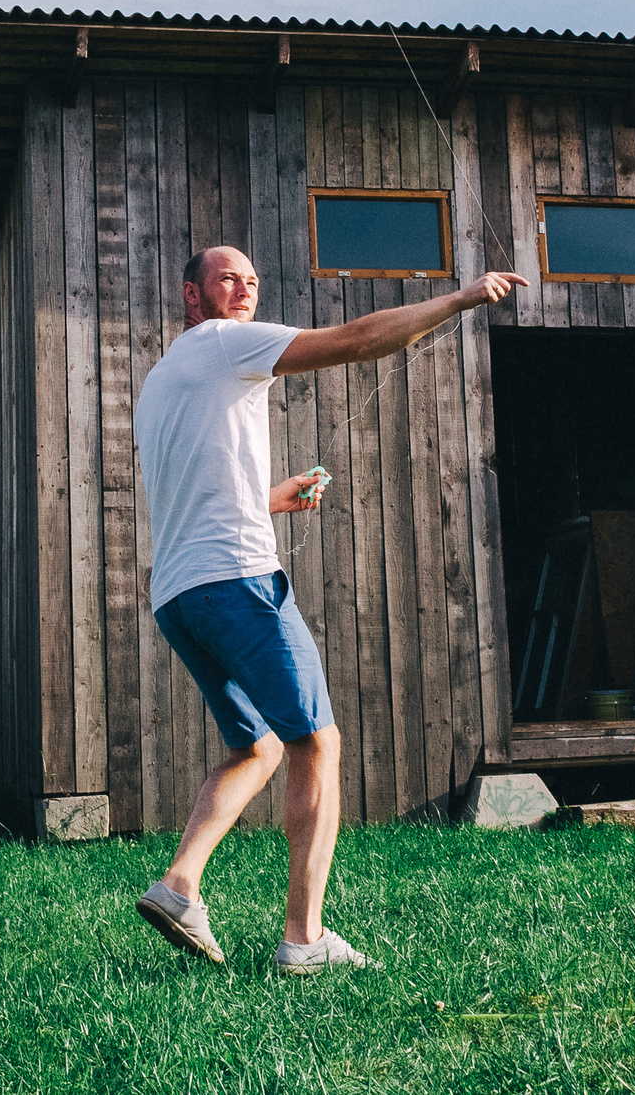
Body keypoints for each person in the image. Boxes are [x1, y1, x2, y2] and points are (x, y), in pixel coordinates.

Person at [132, 244, 527, 974]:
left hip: (180, 594)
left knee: (258, 746)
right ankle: (304, 940)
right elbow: (351, 341)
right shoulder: (225, 342)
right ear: (191, 295)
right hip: (239, 579)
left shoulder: (161, 382)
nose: (245, 288)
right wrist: (462, 299)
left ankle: (180, 884)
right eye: (228, 278)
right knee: (317, 742)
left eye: (253, 278)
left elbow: (201, 495)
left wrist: (277, 498)